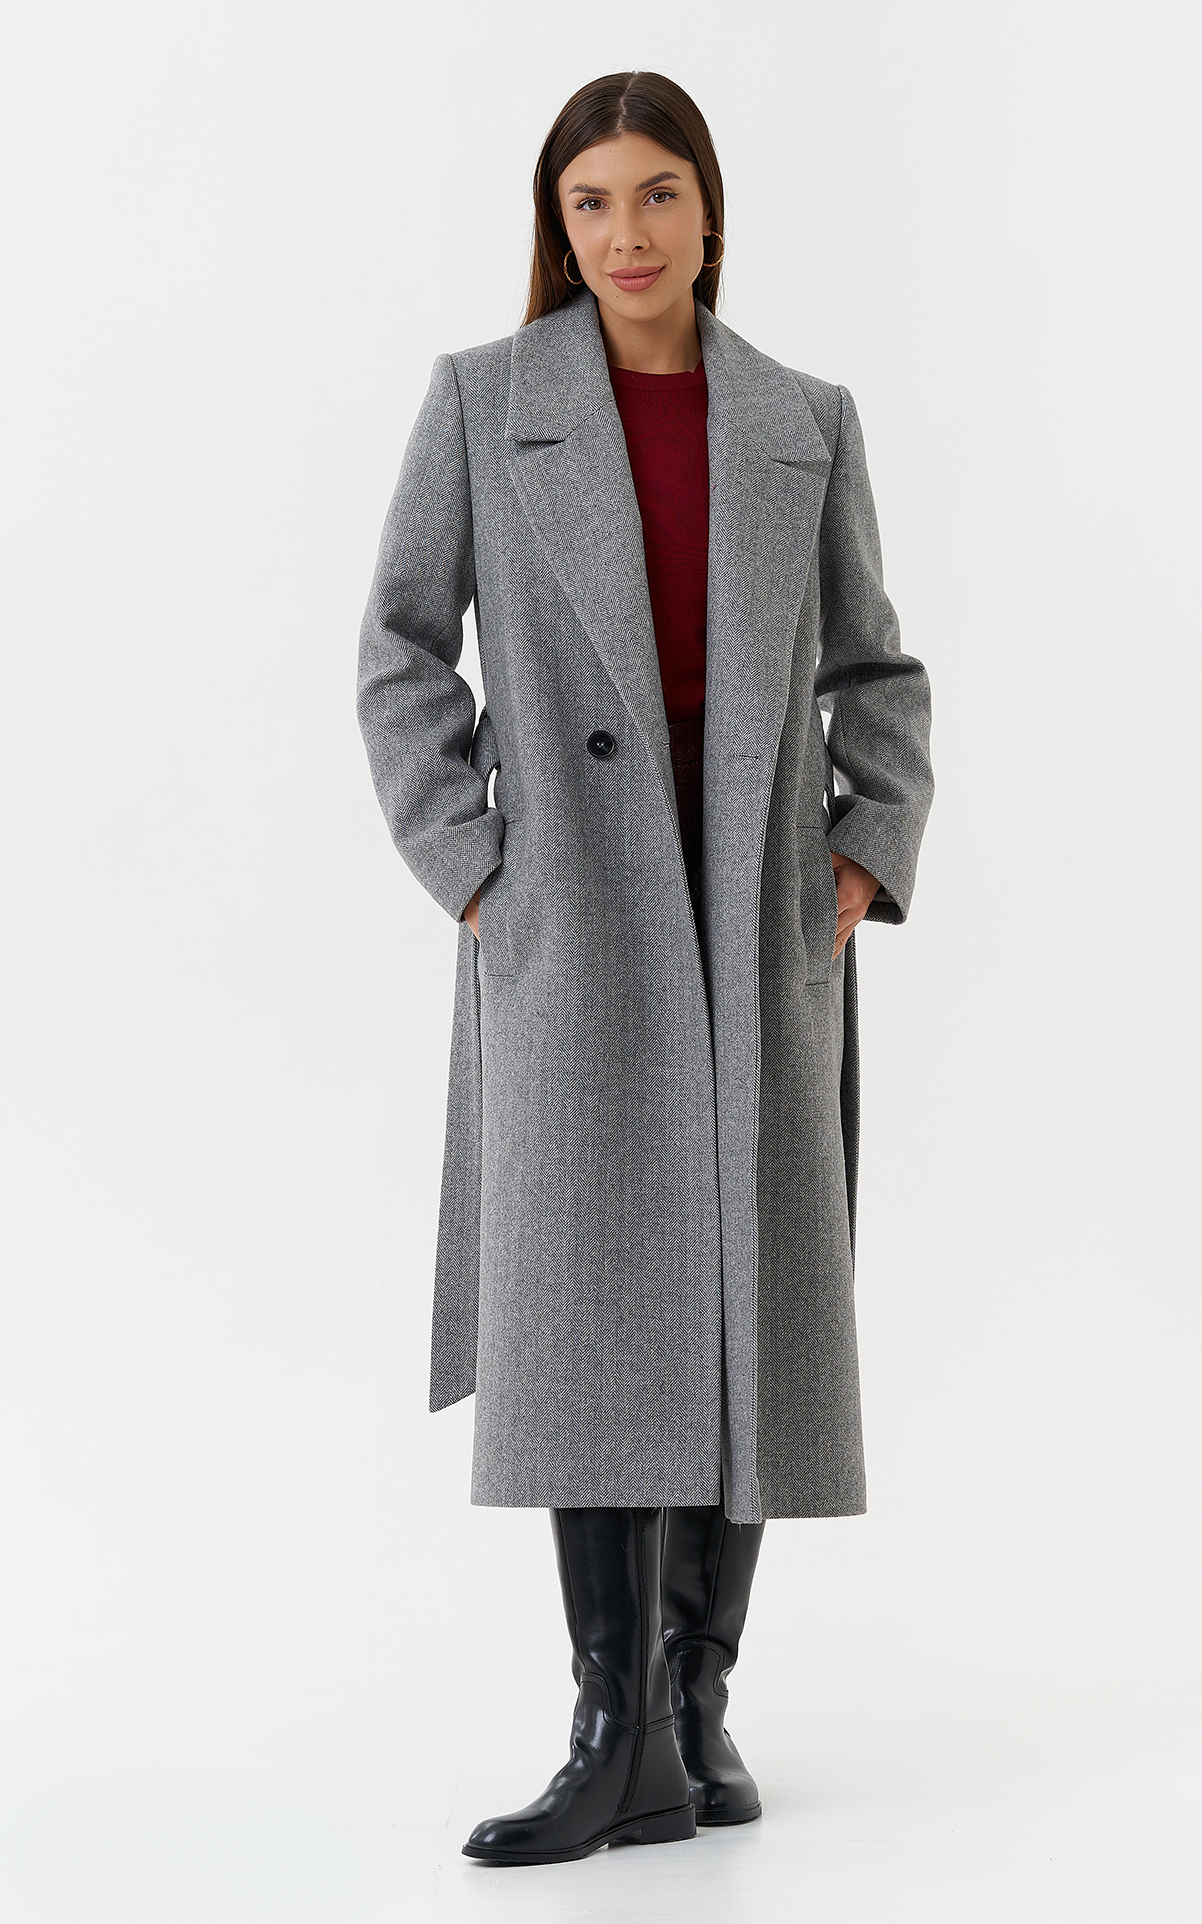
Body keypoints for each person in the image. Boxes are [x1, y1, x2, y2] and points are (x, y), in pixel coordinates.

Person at [356, 70, 934, 1869]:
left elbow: (880, 671)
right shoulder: (485, 402)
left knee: (747, 1290)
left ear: (709, 210)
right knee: (592, 1304)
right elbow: (398, 653)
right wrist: (478, 874)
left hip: (755, 908)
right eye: (590, 201)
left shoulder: (802, 419)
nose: (626, 233)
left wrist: (863, 848)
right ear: (557, 225)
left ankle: (695, 1709)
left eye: (658, 193)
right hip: (577, 918)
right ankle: (610, 1729)